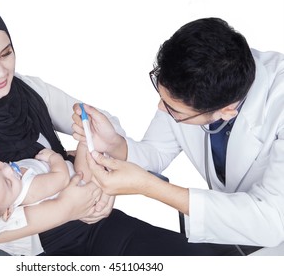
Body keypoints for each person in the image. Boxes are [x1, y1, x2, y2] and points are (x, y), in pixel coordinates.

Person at [0, 0, 228, 256]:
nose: (0, 72)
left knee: (197, 260)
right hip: (33, 254)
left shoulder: (26, 89)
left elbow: (95, 123)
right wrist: (63, 209)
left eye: (7, 54)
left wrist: (97, 187)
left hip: (91, 224)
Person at [73, 18, 284, 255]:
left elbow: (271, 220)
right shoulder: (198, 80)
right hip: (233, 229)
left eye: (175, 110)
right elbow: (157, 151)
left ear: (227, 111)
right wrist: (113, 144)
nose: (161, 109)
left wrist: (148, 187)